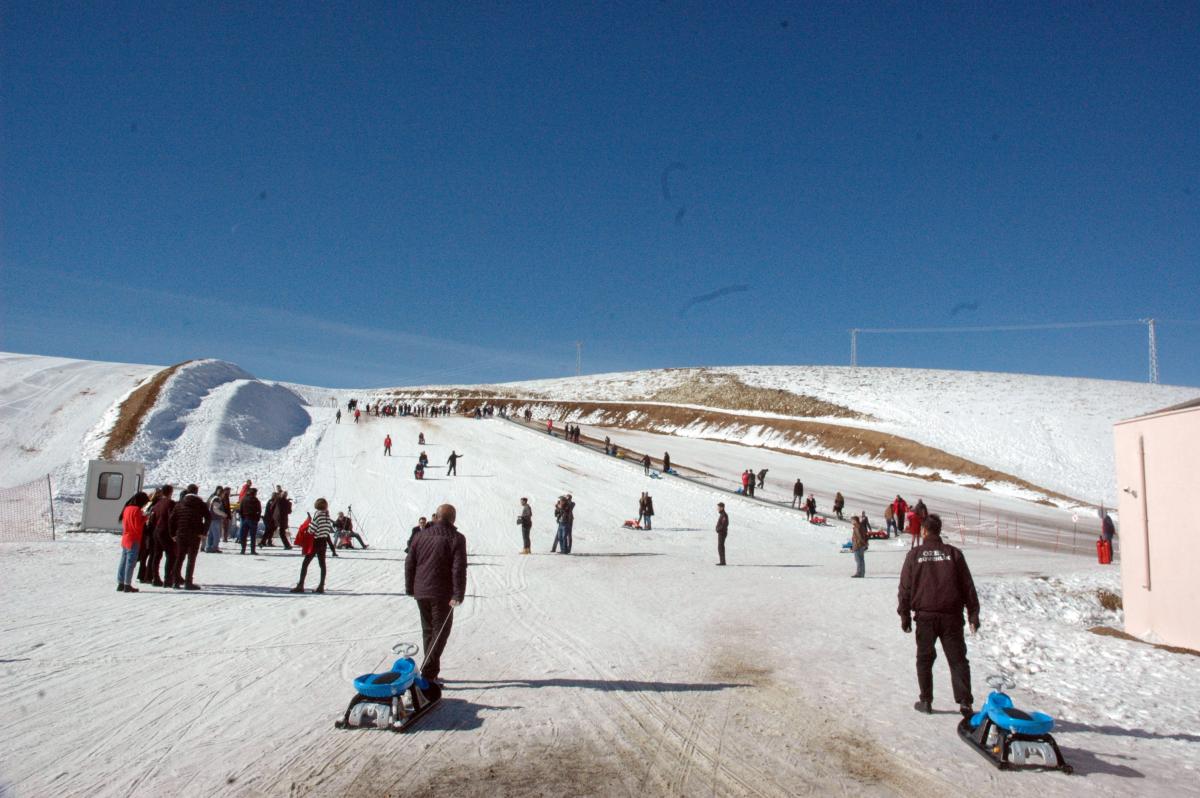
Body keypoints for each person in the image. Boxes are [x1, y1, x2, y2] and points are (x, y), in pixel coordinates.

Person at [898, 514, 980, 718]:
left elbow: (905, 588)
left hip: (925, 616)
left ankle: (926, 700)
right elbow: (967, 587)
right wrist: (973, 614)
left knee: (924, 659)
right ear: (939, 530)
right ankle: (965, 703)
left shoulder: (915, 555)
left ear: (924, 531)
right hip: (951, 616)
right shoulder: (954, 554)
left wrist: (905, 615)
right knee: (958, 659)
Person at [405, 503, 467, 699]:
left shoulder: (420, 535)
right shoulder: (456, 538)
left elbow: (409, 562)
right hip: (442, 593)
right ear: (452, 519)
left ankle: (431, 672)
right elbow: (458, 568)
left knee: (429, 631)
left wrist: (410, 587)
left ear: (436, 517)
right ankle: (427, 675)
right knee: (441, 632)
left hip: (421, 591)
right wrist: (458, 594)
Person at [168, 484, 210, 590]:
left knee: (179, 557)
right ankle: (188, 582)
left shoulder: (179, 504)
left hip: (181, 533)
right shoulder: (200, 503)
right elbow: (208, 518)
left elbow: (171, 520)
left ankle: (175, 581)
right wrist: (203, 532)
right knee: (191, 558)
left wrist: (172, 534)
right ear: (196, 492)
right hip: (195, 534)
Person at [292, 498, 334, 593]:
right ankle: (321, 586)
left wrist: (308, 525)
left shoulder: (318, 514)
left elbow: (312, 529)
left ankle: (301, 585)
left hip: (316, 541)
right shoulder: (327, 515)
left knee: (305, 563)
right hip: (323, 542)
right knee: (322, 564)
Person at [116, 491, 150, 592]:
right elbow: (137, 527)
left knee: (123, 561)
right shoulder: (137, 510)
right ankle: (127, 584)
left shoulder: (127, 508)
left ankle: (120, 582)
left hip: (125, 538)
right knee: (130, 562)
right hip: (133, 539)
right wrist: (145, 518)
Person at [145, 485, 176, 586]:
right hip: (165, 531)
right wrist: (173, 533)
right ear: (171, 492)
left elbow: (152, 518)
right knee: (171, 555)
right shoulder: (170, 503)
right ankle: (168, 579)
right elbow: (172, 519)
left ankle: (155, 578)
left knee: (157, 555)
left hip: (156, 531)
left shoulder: (157, 503)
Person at [239, 487, 262, 555]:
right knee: (253, 536)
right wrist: (257, 519)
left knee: (244, 535)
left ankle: (243, 550)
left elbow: (240, 509)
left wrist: (242, 517)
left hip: (245, 519)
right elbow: (259, 510)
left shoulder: (244, 499)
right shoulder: (256, 500)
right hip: (253, 519)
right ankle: (252, 550)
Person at [205, 487, 227, 553]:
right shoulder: (217, 499)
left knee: (210, 534)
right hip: (215, 518)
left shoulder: (212, 498)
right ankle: (214, 547)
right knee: (216, 534)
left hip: (210, 518)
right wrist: (223, 514)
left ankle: (209, 547)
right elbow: (215, 509)